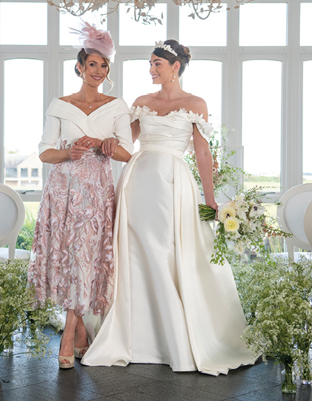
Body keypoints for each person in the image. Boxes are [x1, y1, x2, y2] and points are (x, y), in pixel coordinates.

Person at [82, 39, 256, 375]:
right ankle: (135, 336)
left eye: (157, 64)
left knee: (167, 250)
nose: (150, 69)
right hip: (137, 180)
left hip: (174, 183)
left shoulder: (196, 103)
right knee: (134, 251)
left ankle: (173, 338)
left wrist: (209, 198)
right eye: (150, 63)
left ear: (175, 67)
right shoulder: (141, 102)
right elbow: (123, 143)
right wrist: (98, 142)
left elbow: (202, 153)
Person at [27, 23, 133, 370]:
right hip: (65, 189)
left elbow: (127, 153)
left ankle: (69, 333)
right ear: (80, 66)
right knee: (69, 256)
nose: (98, 71)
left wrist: (110, 145)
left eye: (104, 66)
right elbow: (44, 153)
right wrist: (69, 151)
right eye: (93, 64)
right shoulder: (60, 105)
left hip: (97, 191)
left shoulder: (117, 106)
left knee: (86, 255)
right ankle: (82, 336)